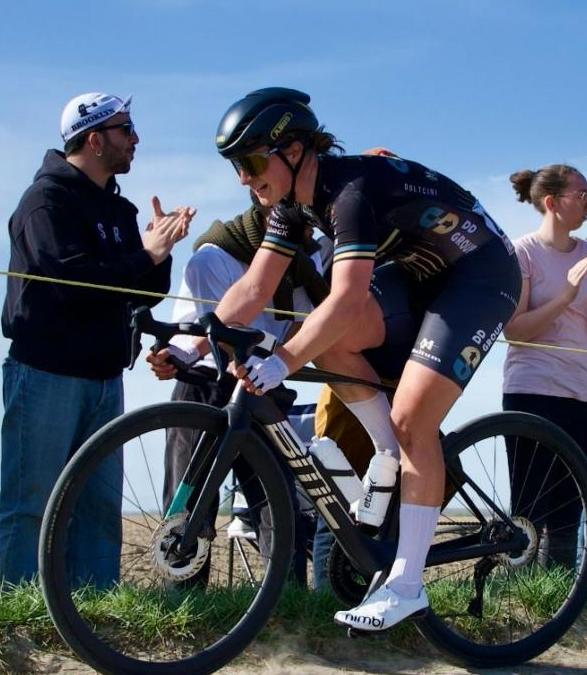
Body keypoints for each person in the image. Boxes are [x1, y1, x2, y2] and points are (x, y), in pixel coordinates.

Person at [158, 87, 521, 632]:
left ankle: (406, 585)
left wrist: (281, 363)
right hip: (420, 274)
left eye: (250, 162)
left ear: (293, 150)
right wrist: (192, 338)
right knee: (327, 338)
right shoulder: (289, 206)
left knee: (411, 418)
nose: (243, 178)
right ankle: (388, 449)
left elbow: (347, 299)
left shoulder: (349, 194)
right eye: (235, 166)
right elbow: (255, 287)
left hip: (480, 275)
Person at [0, 92, 194, 586]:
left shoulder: (119, 210)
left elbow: (141, 291)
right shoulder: (45, 202)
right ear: (94, 139)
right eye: (126, 129)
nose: (135, 138)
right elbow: (72, 282)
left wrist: (160, 250)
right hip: (46, 373)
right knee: (31, 503)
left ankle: (93, 610)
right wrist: (145, 255)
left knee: (99, 508)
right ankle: (10, 608)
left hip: (104, 377)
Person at [151, 193, 329, 586]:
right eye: (304, 224)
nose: (312, 232)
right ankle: (182, 599)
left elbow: (304, 322)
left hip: (264, 381)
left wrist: (278, 361)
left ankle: (287, 598)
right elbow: (214, 331)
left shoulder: (307, 261)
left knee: (276, 500)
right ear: (272, 220)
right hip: (205, 384)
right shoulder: (213, 256)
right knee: (189, 503)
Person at [502, 169, 587, 566]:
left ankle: (560, 592)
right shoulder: (522, 252)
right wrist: (565, 295)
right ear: (552, 202)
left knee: (569, 507)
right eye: (582, 194)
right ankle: (519, 591)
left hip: (586, 394)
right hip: (533, 390)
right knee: (529, 507)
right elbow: (515, 331)